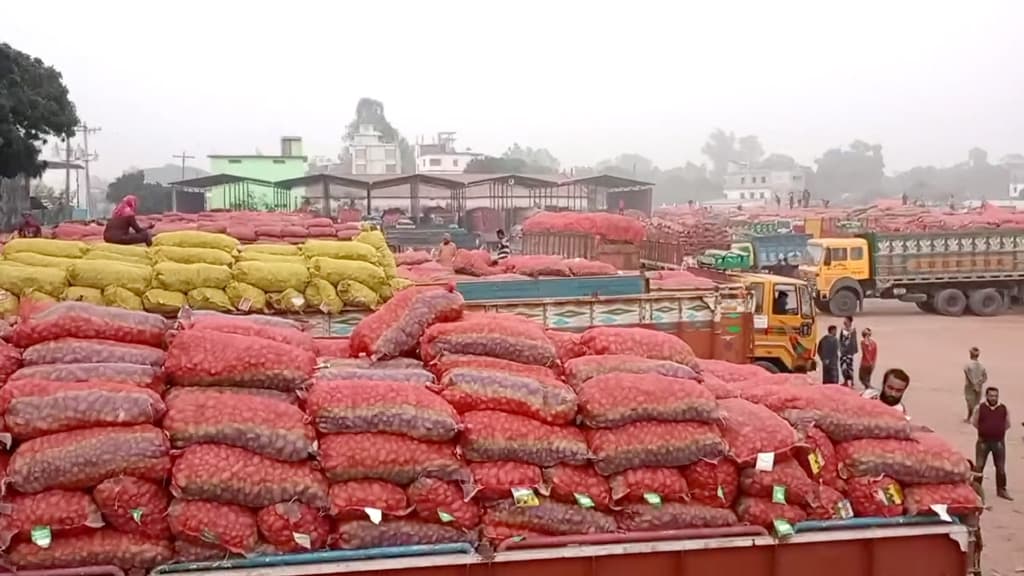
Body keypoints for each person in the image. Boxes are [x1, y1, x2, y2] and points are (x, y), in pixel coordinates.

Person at [971, 387, 1012, 500]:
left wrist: (997, 431)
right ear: (987, 396)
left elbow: (1007, 424)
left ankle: (1001, 490)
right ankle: (976, 490)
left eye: (995, 396)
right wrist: (985, 430)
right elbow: (974, 422)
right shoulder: (980, 408)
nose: (993, 398)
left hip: (998, 442)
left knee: (1000, 467)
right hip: (983, 441)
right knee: (979, 467)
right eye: (991, 395)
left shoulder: (1004, 408)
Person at [963, 347, 987, 423]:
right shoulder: (982, 366)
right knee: (976, 403)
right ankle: (973, 418)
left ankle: (969, 418)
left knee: (970, 402)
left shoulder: (968, 365)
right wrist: (979, 383)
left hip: (970, 386)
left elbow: (968, 375)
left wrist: (974, 384)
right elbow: (985, 377)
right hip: (979, 386)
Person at [839, 316, 858, 387]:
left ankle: (852, 382)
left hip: (849, 351)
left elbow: (854, 341)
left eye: (846, 320)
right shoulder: (842, 330)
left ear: (850, 321)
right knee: (843, 366)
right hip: (843, 351)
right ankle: (845, 381)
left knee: (849, 366)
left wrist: (853, 351)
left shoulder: (852, 331)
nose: (844, 321)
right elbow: (840, 339)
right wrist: (840, 348)